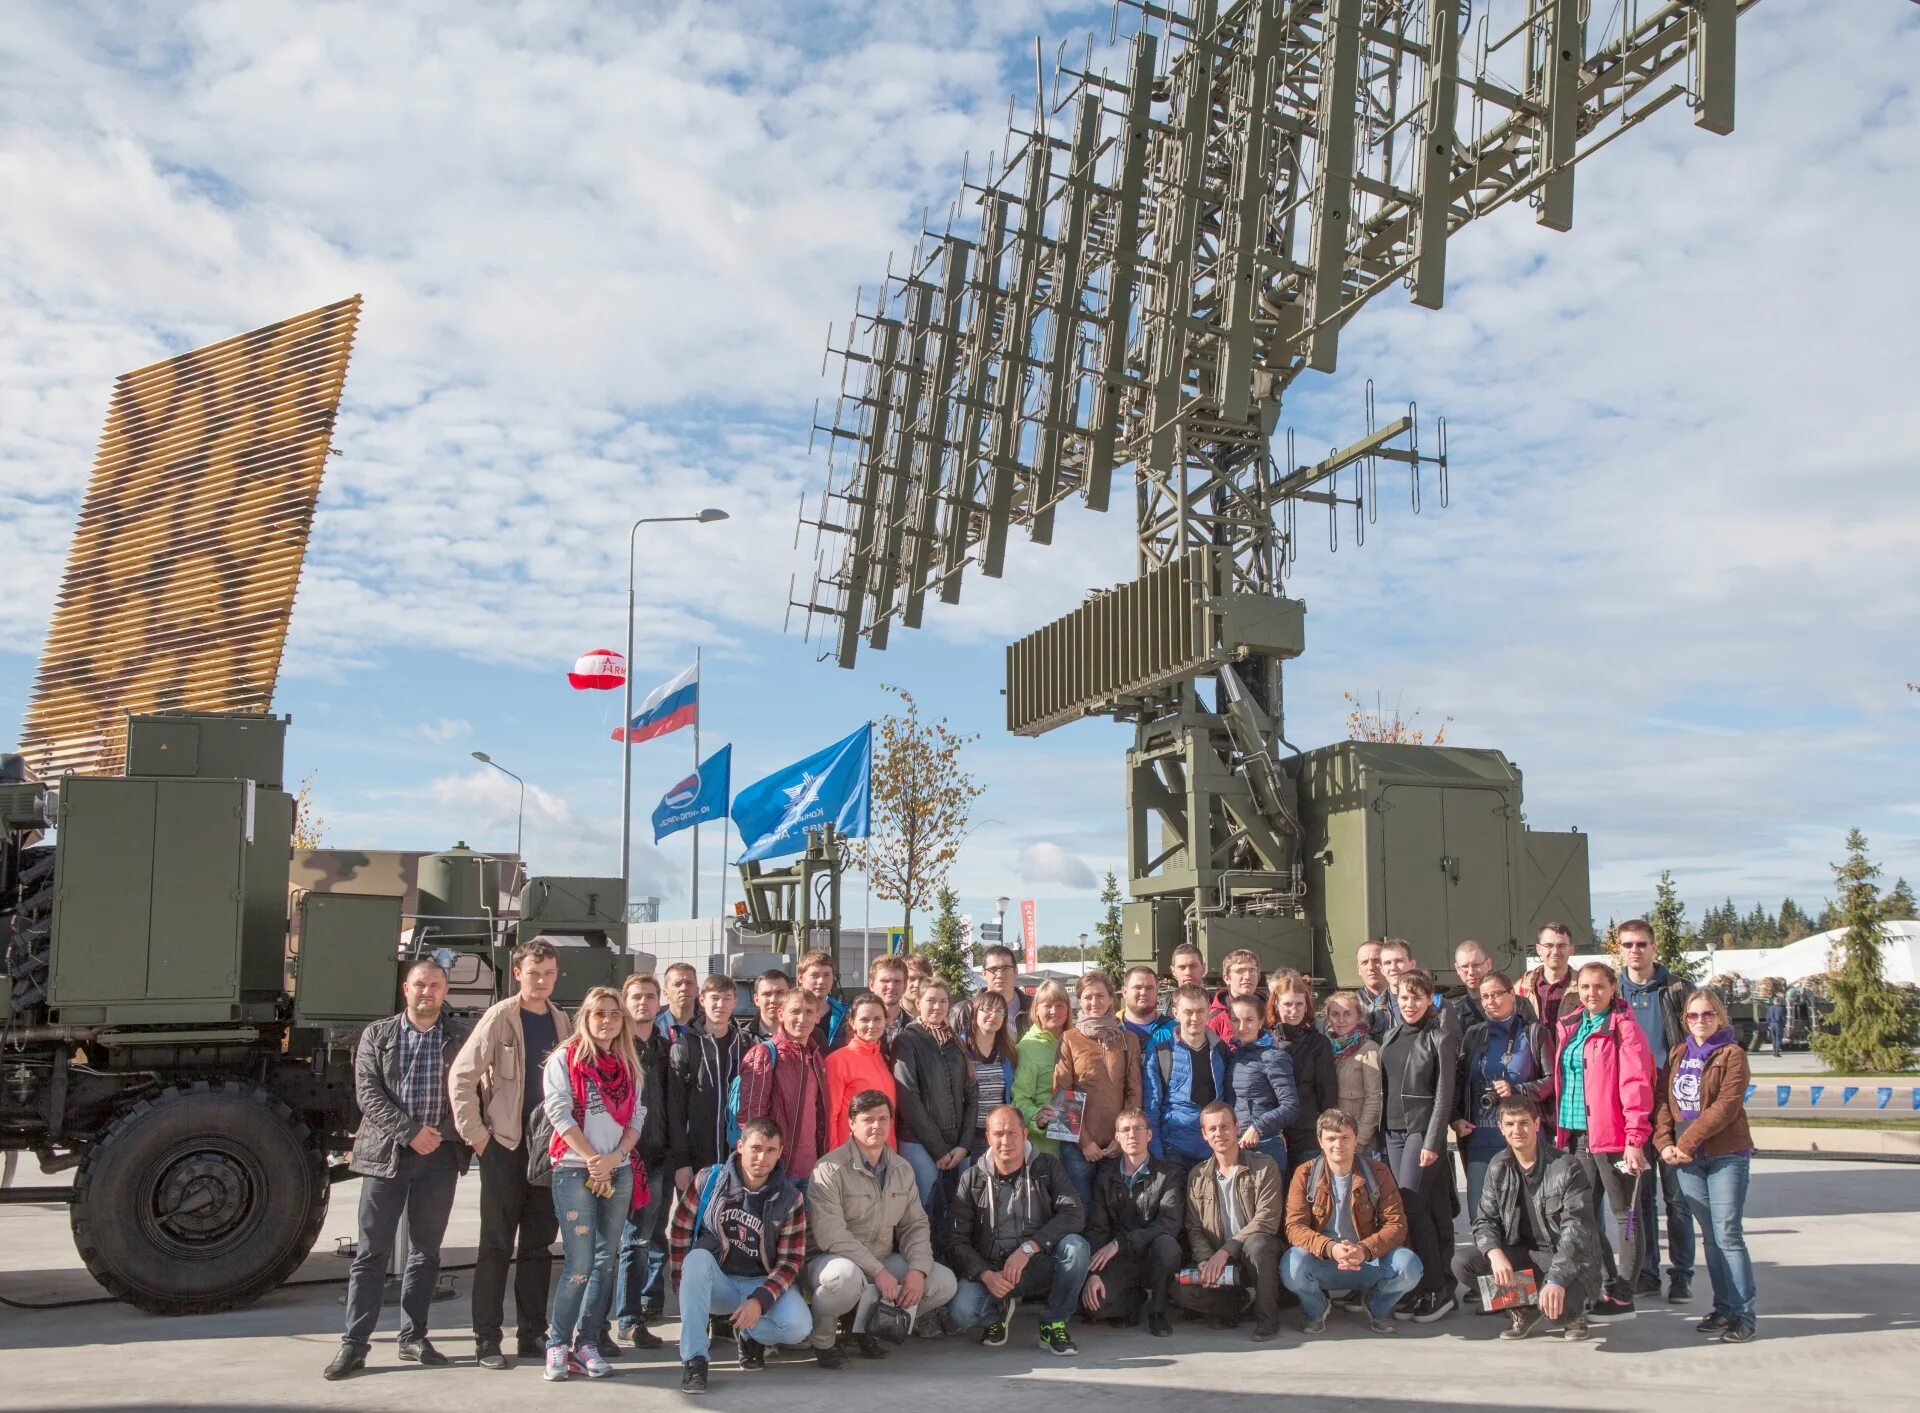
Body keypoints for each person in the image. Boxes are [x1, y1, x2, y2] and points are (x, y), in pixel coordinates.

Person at [325, 959, 470, 1381]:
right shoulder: (378, 1035)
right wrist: (409, 1132)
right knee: (372, 1254)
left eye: (436, 986)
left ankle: (414, 1337)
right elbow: (367, 1094)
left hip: (439, 1156)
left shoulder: (459, 1037)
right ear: (406, 988)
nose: (428, 992)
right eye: (420, 985)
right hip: (386, 1156)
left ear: (445, 992)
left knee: (426, 1253)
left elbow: (473, 1092)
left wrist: (438, 1134)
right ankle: (354, 1345)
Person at [448, 938, 568, 1370]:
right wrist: (478, 1137)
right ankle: (486, 1339)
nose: (542, 980)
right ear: (517, 973)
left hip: (545, 1153)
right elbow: (462, 1076)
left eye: (549, 973)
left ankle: (532, 1334)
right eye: (534, 973)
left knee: (538, 1247)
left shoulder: (561, 1021)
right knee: (496, 1245)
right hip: (504, 1148)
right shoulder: (501, 1017)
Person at [538, 986, 646, 1381]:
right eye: (599, 1013)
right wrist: (591, 1159)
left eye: (614, 1014)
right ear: (585, 1016)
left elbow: (637, 1117)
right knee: (580, 1263)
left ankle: (588, 1343)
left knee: (605, 1260)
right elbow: (559, 1114)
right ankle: (557, 1344)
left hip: (618, 1169)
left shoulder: (628, 1064)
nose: (607, 1020)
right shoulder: (564, 1060)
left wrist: (616, 1159)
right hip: (574, 1169)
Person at [804, 1089, 959, 1365]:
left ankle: (865, 1328)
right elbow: (832, 1236)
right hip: (833, 1262)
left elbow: (916, 1225)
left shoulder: (902, 1168)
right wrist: (879, 1272)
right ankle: (824, 1342)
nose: (877, 1126)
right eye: (868, 1119)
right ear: (852, 1123)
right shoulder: (828, 1169)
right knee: (844, 1277)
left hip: (882, 1260)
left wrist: (918, 1270)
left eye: (883, 1118)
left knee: (942, 1282)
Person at [669, 1118, 813, 1395]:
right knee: (696, 1260)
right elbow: (680, 1231)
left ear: (780, 1151)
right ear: (740, 1146)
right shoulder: (709, 1180)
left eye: (771, 1150)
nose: (762, 1157)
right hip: (717, 1282)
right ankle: (695, 1360)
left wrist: (760, 1301)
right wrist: (683, 1285)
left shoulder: (790, 1198)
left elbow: (790, 1261)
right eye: (756, 1148)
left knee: (799, 1327)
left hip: (759, 1282)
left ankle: (748, 1334)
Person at [1450, 1095, 1601, 1341]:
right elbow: (1484, 1220)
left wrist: (1556, 1279)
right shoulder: (1498, 1166)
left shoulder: (1567, 1166)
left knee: (1557, 1315)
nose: (1516, 1130)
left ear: (1537, 1124)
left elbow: (1576, 1231)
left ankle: (1574, 1313)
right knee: (1464, 1263)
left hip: (1568, 1261)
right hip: (1526, 1256)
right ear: (1501, 1128)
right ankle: (1526, 1309)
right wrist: (1494, 1253)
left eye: (1523, 1123)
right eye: (1509, 1124)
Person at [1654, 989, 1758, 1342]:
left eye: (1708, 1014)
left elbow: (1725, 1108)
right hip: (1686, 1161)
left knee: (1728, 1234)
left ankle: (1744, 1315)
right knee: (1711, 1238)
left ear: (1721, 1017)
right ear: (1685, 1020)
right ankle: (1724, 1309)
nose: (1701, 1021)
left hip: (1725, 1155)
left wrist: (1684, 1142)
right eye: (1694, 1016)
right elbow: (1665, 1103)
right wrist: (1664, 1143)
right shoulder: (1679, 1053)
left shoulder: (1732, 1055)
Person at [945, 1105, 1091, 1356]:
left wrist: (1029, 1248)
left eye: (1012, 1133)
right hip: (993, 1271)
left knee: (1076, 1247)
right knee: (961, 1313)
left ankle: (1053, 1323)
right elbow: (957, 1240)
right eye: (998, 1134)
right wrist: (985, 1275)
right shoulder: (971, 1179)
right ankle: (996, 1314)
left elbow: (1074, 1213)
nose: (1005, 1141)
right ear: (987, 1137)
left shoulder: (1047, 1165)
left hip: (1037, 1264)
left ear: (1025, 1135)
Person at [1554, 960, 1656, 1320]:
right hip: (1578, 1137)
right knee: (1584, 1215)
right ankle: (1606, 1283)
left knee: (1625, 1214)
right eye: (1585, 987)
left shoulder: (1623, 1029)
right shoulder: (1572, 1026)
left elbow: (1636, 1086)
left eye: (1599, 986)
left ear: (1613, 988)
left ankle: (1625, 1295)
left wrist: (1634, 1138)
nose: (1591, 993)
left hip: (1613, 1138)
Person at [1282, 1108, 1422, 1334]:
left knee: (1409, 1266)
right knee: (1292, 1265)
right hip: (1323, 1260)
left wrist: (1364, 1250)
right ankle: (1316, 1310)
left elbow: (1396, 1225)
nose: (1338, 1144)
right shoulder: (1305, 1174)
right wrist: (1331, 1248)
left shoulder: (1378, 1172)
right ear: (1320, 1142)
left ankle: (1377, 1307)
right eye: (1331, 1138)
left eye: (1345, 1137)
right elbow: (1294, 1227)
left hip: (1367, 1261)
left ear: (1356, 1140)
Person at [1615, 917, 1696, 1302]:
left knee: (1677, 1198)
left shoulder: (1678, 990)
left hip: (1672, 1108)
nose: (1635, 950)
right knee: (1640, 1196)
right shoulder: (1612, 992)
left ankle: (1681, 1274)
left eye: (1642, 944)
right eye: (1628, 944)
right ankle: (1646, 1271)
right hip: (1633, 1108)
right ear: (1619, 948)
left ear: (1654, 947)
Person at [1378, 968, 1458, 1321]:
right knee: (1415, 1208)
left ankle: (1437, 1288)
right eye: (1404, 997)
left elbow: (1443, 1096)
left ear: (1430, 1000)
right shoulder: (1391, 1036)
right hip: (1392, 1133)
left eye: (1417, 997)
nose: (1409, 1004)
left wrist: (1432, 1140)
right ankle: (1419, 1285)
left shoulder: (1439, 1038)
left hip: (1419, 1133)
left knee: (1412, 1206)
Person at [1174, 1102, 1284, 1341]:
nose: (1219, 1133)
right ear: (1204, 1134)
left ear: (1237, 1127)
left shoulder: (1264, 1166)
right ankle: (1233, 1305)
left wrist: (1225, 1251)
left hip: (1254, 1259)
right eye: (1212, 1129)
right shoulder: (1197, 1176)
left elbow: (1266, 1219)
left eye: (1224, 1127)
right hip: (1219, 1262)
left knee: (1258, 1245)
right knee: (1180, 1290)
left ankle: (1267, 1320)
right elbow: (1194, 1227)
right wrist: (1205, 1261)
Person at [1452, 970, 1553, 1222]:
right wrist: (1455, 1117)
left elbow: (1552, 1082)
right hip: (1480, 1138)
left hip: (1521, 1140)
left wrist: (1517, 1090)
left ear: (1513, 996)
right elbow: (1460, 1081)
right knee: (1481, 1217)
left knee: (1526, 1219)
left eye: (1497, 994)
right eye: (1485, 997)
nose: (1490, 1001)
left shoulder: (1534, 1033)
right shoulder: (1474, 1034)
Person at [603, 973, 670, 1352]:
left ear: (659, 1003)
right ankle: (599, 1325)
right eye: (636, 996)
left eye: (649, 996)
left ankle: (630, 1320)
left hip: (656, 1160)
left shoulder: (666, 1046)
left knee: (640, 1241)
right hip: (617, 1160)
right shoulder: (612, 1050)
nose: (643, 1002)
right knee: (609, 1244)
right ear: (625, 1003)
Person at [1079, 1108, 1184, 1336]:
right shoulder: (1106, 1176)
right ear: (1117, 1137)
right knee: (1094, 1307)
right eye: (1125, 1130)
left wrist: (1121, 1243)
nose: (1132, 1135)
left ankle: (1158, 1311)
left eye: (1138, 1129)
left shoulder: (1168, 1174)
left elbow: (1169, 1224)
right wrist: (1093, 1274)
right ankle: (1131, 1301)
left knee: (1167, 1245)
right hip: (1120, 1260)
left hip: (1153, 1255)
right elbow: (1097, 1228)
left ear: (1149, 1135)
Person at [891, 977, 974, 1239]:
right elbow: (908, 1097)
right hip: (920, 1142)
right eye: (930, 1001)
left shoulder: (955, 1041)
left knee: (961, 1209)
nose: (937, 1006)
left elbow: (971, 1092)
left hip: (957, 1143)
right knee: (924, 1210)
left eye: (943, 1001)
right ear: (918, 1003)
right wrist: (938, 1148)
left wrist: (964, 1144)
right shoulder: (907, 1040)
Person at [1053, 970, 1144, 1207]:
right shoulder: (1069, 1039)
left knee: (1115, 1209)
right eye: (1088, 997)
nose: (1095, 1002)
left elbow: (1133, 1092)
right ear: (1080, 1001)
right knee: (1081, 1208)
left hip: (1116, 1142)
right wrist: (1084, 1141)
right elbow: (1063, 1093)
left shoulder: (1128, 1039)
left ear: (1111, 998)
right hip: (1078, 1146)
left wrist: (1122, 1136)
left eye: (1101, 996)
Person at [738, 989, 831, 1185]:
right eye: (795, 1011)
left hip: (811, 1169)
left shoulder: (816, 1057)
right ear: (781, 1014)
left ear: (817, 1016)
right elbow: (751, 1117)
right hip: (776, 1171)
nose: (801, 1018)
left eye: (808, 1012)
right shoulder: (764, 1053)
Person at [667, 974, 745, 1197]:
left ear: (734, 1002)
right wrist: (682, 1162)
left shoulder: (746, 1044)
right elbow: (675, 1108)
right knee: (694, 1228)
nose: (720, 1004)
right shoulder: (685, 1047)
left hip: (737, 1158)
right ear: (702, 1000)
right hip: (697, 1157)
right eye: (714, 998)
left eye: (726, 998)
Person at [1143, 984, 1227, 1169]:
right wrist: (1157, 1156)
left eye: (1200, 1011)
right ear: (1175, 1012)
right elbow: (1151, 1107)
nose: (1195, 1018)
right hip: (1173, 1150)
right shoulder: (1161, 1053)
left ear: (1209, 1011)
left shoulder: (1221, 1050)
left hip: (1214, 1148)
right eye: (1188, 1012)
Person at [1267, 970, 1336, 1185]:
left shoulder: (1318, 1043)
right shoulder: (1266, 1041)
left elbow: (1327, 1092)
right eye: (1288, 1004)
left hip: (1307, 1134)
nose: (1293, 1011)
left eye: (1299, 1004)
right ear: (1276, 1005)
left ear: (1307, 1006)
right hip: (1272, 1131)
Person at [1221, 993, 1299, 1171]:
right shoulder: (1232, 1056)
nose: (1242, 1027)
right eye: (1235, 1020)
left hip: (1265, 1146)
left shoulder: (1274, 1057)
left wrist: (1258, 1127)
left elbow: (1291, 1106)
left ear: (1261, 1021)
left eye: (1249, 1020)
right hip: (1236, 1145)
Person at [825, 992, 897, 1151]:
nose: (872, 1025)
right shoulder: (838, 1060)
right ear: (852, 1022)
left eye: (878, 1019)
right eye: (864, 1019)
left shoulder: (884, 1059)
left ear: (886, 1021)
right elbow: (830, 1116)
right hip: (851, 1155)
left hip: (885, 1153)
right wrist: (833, 1157)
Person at [1012, 979, 1071, 1159]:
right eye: (1047, 1006)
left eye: (1060, 1005)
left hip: (1079, 1147)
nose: (1054, 1011)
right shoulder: (1027, 1048)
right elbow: (1019, 1101)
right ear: (1036, 1009)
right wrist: (1037, 1117)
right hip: (1045, 1150)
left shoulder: (1075, 1041)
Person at [963, 990, 1019, 1158]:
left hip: (999, 1137)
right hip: (967, 1136)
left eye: (1000, 1011)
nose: (993, 1015)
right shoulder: (959, 1048)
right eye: (987, 1009)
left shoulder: (1008, 1052)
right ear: (975, 1013)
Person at [1324, 991, 1382, 1151]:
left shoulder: (1369, 1050)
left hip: (1358, 1140)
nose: (1341, 1020)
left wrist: (1360, 1139)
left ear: (1359, 1016)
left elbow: (1374, 1099)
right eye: (1335, 1014)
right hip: (1333, 1138)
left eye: (1347, 1014)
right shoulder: (1325, 1048)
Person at [955, 944, 1029, 1038]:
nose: (1000, 975)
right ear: (984, 973)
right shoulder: (963, 1011)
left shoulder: (1034, 1007)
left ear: (1015, 971)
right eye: (993, 969)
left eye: (1006, 968)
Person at [1516, 922, 1577, 1032]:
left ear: (1571, 949)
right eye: (1549, 946)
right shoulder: (1520, 988)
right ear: (1539, 949)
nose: (1555, 952)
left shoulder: (1585, 987)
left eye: (1562, 946)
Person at [1207, 949, 1265, 1042]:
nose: (1247, 976)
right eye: (1240, 971)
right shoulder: (1214, 1020)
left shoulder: (1271, 1013)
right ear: (1227, 978)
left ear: (1258, 977)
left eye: (1252, 970)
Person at [799, 950, 848, 1050]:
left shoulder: (846, 1015)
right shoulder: (789, 1015)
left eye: (826, 975)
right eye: (814, 975)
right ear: (800, 978)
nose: (821, 981)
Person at [1355, 939, 1396, 1038]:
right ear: (1359, 970)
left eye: (1376, 961)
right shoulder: (1351, 1005)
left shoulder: (1405, 1000)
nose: (1371, 967)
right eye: (1364, 963)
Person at [1120, 965, 1167, 1048]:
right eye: (1137, 987)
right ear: (1124, 992)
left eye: (1149, 988)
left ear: (1157, 992)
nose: (1143, 992)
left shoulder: (1173, 1030)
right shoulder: (1111, 1029)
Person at [1451, 941, 1494, 1030]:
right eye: (1465, 966)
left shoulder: (1518, 1005)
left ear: (1488, 964)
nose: (1471, 972)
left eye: (1476, 965)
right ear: (1457, 969)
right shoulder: (1454, 1014)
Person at [657, 961, 701, 1041]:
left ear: (697, 991)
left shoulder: (707, 1027)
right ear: (665, 993)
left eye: (689, 983)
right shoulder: (654, 1028)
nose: (684, 988)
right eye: (677, 984)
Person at [748, 969, 793, 1043]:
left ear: (791, 996)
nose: (773, 1000)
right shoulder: (741, 1038)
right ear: (756, 1000)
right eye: (766, 994)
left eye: (780, 993)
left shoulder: (809, 1035)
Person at [1163, 942, 1206, 1014]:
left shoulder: (1218, 1007)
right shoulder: (1164, 1010)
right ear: (1173, 971)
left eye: (1193, 966)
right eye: (1182, 967)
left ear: (1203, 968)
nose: (1188, 972)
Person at [1765, 990, 1786, 1058]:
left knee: (1773, 1038)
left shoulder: (1770, 1008)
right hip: (1778, 1024)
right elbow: (1783, 1018)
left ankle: (1774, 1051)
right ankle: (1777, 1052)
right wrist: (1783, 1025)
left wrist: (1769, 1025)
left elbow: (1767, 1017)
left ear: (1774, 1002)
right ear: (1779, 1002)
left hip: (1771, 1024)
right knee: (1778, 1038)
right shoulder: (1781, 1009)